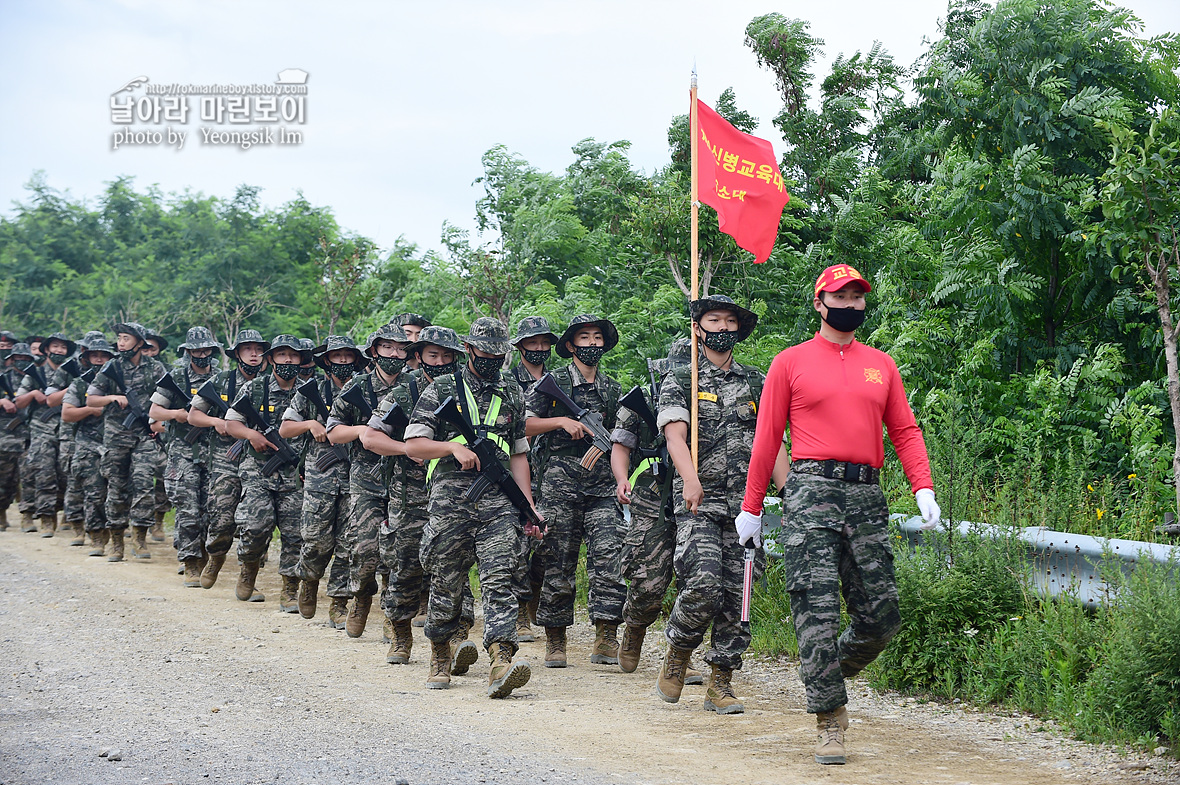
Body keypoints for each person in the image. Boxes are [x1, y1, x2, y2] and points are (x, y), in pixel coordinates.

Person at [739, 264, 941, 765]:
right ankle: (830, 717)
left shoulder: (882, 365)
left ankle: (824, 668)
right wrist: (752, 507)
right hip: (810, 492)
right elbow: (767, 439)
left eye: (857, 296)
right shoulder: (789, 363)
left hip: (868, 497)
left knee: (882, 616)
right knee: (816, 608)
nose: (850, 304)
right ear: (819, 303)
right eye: (840, 296)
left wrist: (923, 486)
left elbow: (906, 431)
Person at [655, 295, 789, 716]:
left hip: (746, 507)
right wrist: (690, 480)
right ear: (698, 327)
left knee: (740, 597)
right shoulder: (682, 377)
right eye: (714, 319)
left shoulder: (756, 381)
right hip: (699, 501)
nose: (723, 327)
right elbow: (675, 436)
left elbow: (774, 442)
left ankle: (721, 681)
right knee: (704, 583)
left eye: (731, 321)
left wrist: (790, 493)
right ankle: (679, 647)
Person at [404, 317, 540, 697]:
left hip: (497, 501)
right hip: (451, 502)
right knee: (446, 580)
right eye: (486, 353)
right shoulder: (442, 389)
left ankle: (501, 657)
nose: (492, 360)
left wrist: (527, 507)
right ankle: (440, 652)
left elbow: (518, 454)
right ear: (469, 350)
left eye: (500, 354)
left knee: (500, 577)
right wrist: (451, 447)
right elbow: (414, 446)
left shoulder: (512, 391)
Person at [526, 314, 626, 668]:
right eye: (584, 337)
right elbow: (521, 425)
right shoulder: (552, 385)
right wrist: (561, 421)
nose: (592, 344)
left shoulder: (613, 389)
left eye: (598, 338)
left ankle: (606, 634)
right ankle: (555, 638)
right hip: (559, 484)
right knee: (557, 559)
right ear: (570, 345)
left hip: (602, 486)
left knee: (609, 557)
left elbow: (623, 438)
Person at [610, 337, 699, 683]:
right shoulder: (640, 403)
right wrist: (622, 480)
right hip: (651, 497)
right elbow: (621, 446)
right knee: (649, 581)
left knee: (694, 580)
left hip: (694, 496)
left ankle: (681, 654)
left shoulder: (705, 399)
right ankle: (634, 626)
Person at [282, 335, 363, 626]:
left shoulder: (363, 389)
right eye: (337, 356)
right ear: (326, 360)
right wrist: (310, 424)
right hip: (320, 477)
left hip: (356, 475)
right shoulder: (311, 390)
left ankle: (339, 601)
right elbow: (285, 429)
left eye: (348, 356)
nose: (342, 361)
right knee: (316, 539)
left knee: (348, 542)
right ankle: (309, 580)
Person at [224, 334, 308, 609]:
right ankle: (249, 568)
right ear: (270, 359)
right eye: (282, 355)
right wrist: (252, 436)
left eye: (293, 355)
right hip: (258, 468)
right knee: (256, 525)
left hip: (295, 470)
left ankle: (289, 588)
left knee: (295, 532)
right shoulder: (255, 388)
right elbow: (231, 424)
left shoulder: (309, 391)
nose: (288, 360)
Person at [187, 329, 270, 590]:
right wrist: (217, 421)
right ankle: (215, 557)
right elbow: (193, 416)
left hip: (260, 462)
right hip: (225, 459)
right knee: (222, 518)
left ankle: (249, 574)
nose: (254, 355)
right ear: (237, 354)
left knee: (256, 520)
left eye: (258, 350)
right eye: (248, 349)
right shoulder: (220, 382)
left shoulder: (271, 384)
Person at [86, 323, 168, 561]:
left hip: (145, 435)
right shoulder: (111, 367)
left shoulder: (155, 368)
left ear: (140, 343)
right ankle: (116, 542)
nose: (121, 342)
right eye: (119, 338)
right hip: (116, 436)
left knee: (143, 484)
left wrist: (157, 421)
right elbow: (91, 400)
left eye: (126, 338)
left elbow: (167, 399)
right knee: (117, 488)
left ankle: (140, 538)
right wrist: (112, 397)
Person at [149, 326, 221, 586]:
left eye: (206, 350)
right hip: (182, 452)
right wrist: (177, 415)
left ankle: (203, 555)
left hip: (214, 452)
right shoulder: (176, 376)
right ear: (188, 352)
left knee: (210, 509)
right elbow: (155, 411)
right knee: (188, 507)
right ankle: (190, 561)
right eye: (196, 350)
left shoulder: (222, 377)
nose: (202, 355)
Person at [507, 315, 559, 642]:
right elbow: (517, 426)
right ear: (520, 346)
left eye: (544, 343)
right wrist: (559, 422)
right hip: (517, 470)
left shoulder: (560, 380)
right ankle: (517, 613)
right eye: (532, 342)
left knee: (546, 545)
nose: (539, 348)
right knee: (515, 544)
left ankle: (534, 600)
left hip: (554, 475)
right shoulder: (508, 381)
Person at [14, 332, 75, 537]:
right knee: (42, 472)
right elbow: (19, 402)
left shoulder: (72, 373)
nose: (59, 350)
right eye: (55, 346)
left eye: (63, 347)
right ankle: (42, 517)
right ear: (47, 349)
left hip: (67, 429)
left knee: (66, 473)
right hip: (41, 429)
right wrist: (33, 394)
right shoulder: (35, 373)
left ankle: (67, 513)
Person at [62, 335, 114, 555]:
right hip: (88, 444)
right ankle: (96, 537)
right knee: (94, 492)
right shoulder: (80, 383)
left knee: (119, 492)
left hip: (117, 444)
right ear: (87, 358)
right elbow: (67, 414)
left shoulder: (119, 383)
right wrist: (91, 410)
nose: (99, 359)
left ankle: (117, 534)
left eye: (104, 355)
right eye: (95, 355)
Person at [141, 327, 172, 543]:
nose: (148, 351)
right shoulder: (122, 371)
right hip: (131, 433)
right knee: (137, 479)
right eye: (144, 347)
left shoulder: (167, 373)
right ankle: (135, 524)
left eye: (152, 347)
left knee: (164, 476)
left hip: (161, 434)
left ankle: (158, 520)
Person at [0, 340, 30, 531]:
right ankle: (1, 512)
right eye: (17, 358)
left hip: (31, 432)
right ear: (11, 360)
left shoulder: (35, 378)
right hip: (7, 434)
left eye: (25, 358)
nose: (21, 361)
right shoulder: (4, 378)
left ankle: (27, 515)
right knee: (5, 477)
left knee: (29, 476)